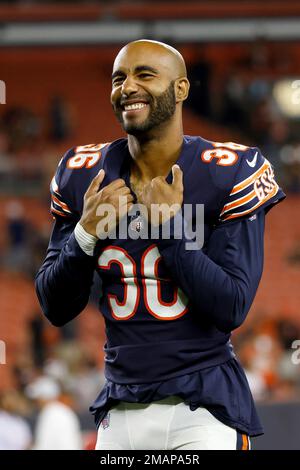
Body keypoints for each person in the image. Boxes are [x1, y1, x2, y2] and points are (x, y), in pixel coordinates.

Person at [36, 40, 285, 450]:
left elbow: (232, 305)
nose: (128, 87)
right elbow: (55, 307)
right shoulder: (83, 175)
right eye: (119, 78)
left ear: (182, 88)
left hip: (203, 410)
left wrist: (170, 232)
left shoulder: (227, 171)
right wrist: (84, 235)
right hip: (119, 408)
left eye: (144, 74)